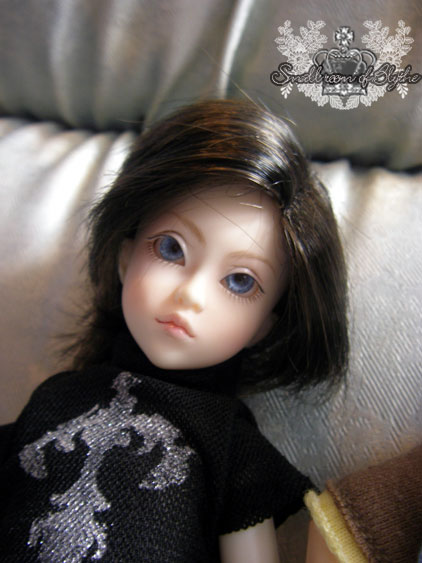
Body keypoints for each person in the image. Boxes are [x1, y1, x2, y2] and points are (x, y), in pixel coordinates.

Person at [0, 99, 348, 562]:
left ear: (263, 327)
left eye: (240, 281)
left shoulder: (228, 444)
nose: (190, 294)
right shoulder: (55, 397)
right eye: (170, 248)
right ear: (125, 259)